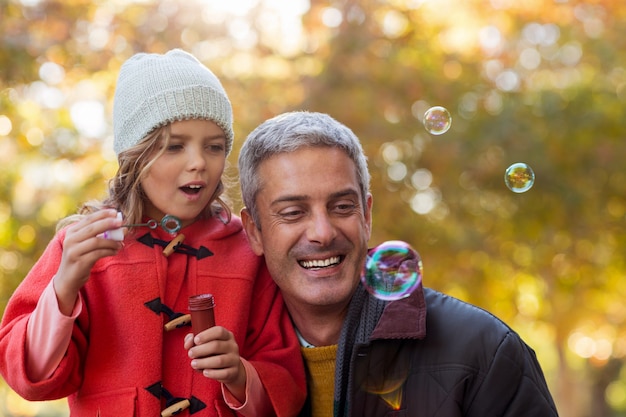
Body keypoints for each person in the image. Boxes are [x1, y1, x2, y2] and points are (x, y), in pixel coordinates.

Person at [0, 49, 305, 417]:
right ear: (135, 156)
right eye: (175, 146)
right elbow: (31, 375)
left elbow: (285, 382)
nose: (199, 162)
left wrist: (241, 376)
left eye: (215, 146)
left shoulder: (249, 250)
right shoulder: (84, 247)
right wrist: (63, 288)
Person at [237, 111, 559, 417]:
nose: (322, 233)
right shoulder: (226, 361)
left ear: (366, 216)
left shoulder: (485, 352)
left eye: (342, 206)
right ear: (254, 232)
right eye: (293, 212)